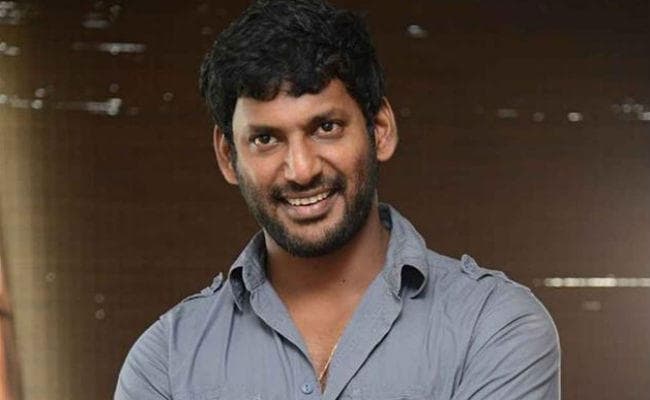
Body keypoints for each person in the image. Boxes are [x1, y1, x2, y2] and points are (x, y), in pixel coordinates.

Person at [115, 0, 561, 399]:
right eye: (266, 138)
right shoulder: (167, 361)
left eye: (326, 127)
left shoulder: (493, 327)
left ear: (379, 130)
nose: (301, 169)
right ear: (228, 156)